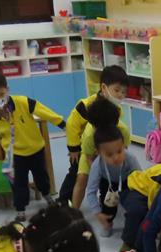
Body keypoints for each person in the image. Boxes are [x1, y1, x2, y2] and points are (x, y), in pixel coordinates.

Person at [0, 69, 65, 215]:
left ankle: (47, 195)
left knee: (41, 177)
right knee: (18, 183)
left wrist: (62, 124)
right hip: (15, 154)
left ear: (7, 89)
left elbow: (44, 111)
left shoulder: (23, 102)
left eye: (2, 94)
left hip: (35, 149)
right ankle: (20, 209)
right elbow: (3, 132)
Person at [60, 65, 129, 204]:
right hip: (83, 147)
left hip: (104, 147)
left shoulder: (117, 108)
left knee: (107, 176)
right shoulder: (86, 105)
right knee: (77, 175)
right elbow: (71, 124)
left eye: (123, 92)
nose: (120, 95)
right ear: (103, 87)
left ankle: (106, 202)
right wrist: (73, 148)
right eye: (116, 90)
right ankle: (64, 201)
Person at [69, 95, 132, 210]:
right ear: (94, 125)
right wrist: (99, 175)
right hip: (92, 156)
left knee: (126, 177)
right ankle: (74, 211)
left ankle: (126, 203)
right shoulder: (89, 135)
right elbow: (89, 157)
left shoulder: (123, 130)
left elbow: (124, 151)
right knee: (82, 178)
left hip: (113, 154)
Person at [83, 126, 142, 236]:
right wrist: (98, 213)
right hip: (107, 183)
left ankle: (136, 223)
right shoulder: (97, 165)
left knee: (136, 204)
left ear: (124, 146)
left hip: (128, 182)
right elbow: (91, 192)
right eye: (109, 154)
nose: (116, 158)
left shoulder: (130, 158)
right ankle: (108, 225)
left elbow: (142, 180)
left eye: (119, 151)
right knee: (108, 208)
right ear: (98, 153)